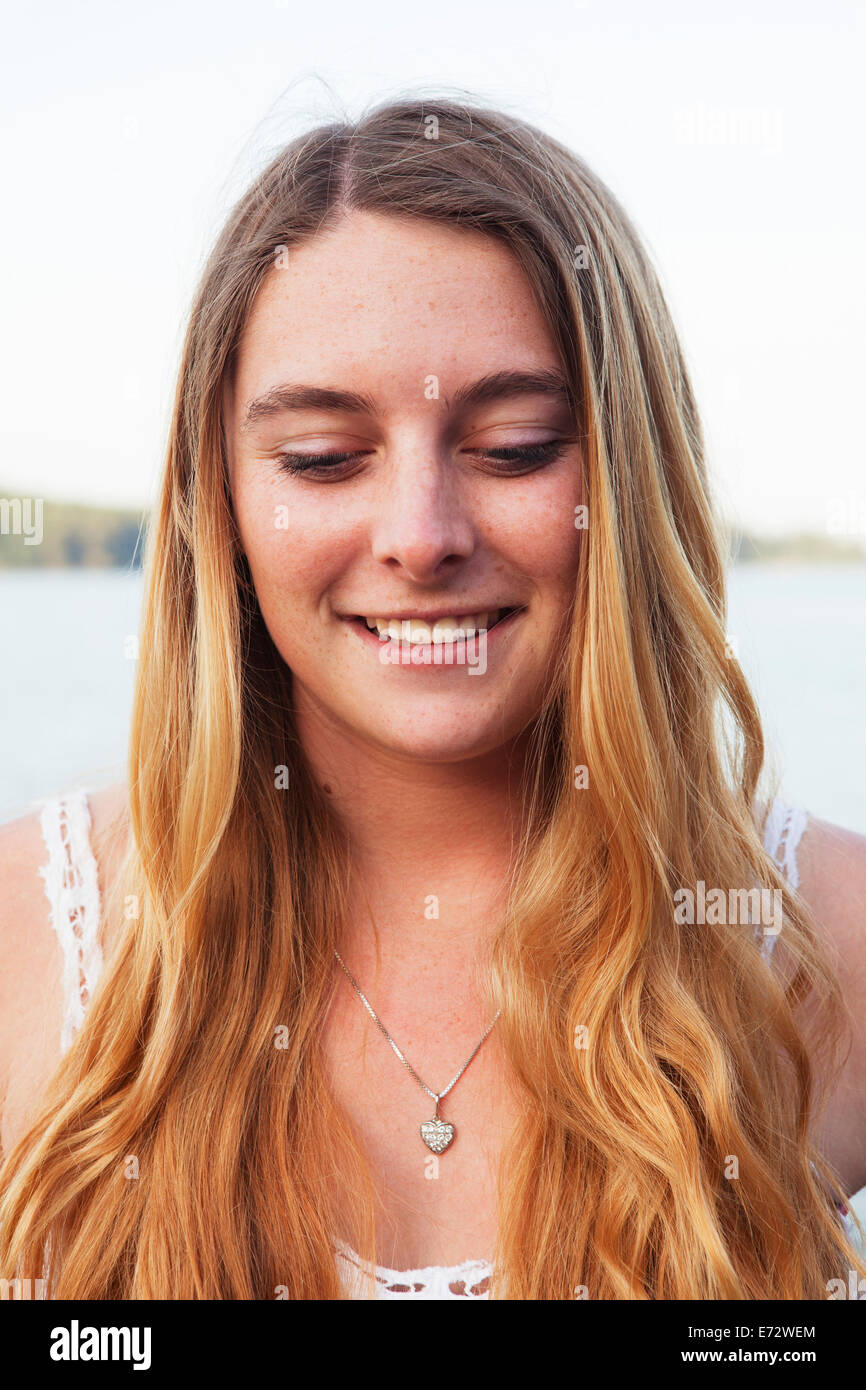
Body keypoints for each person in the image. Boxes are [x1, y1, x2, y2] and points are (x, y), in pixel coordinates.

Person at [1, 94, 865, 1300]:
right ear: (224, 500)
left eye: (512, 446)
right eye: (321, 457)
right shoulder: (30, 938)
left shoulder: (832, 940)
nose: (421, 537)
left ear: (627, 471)